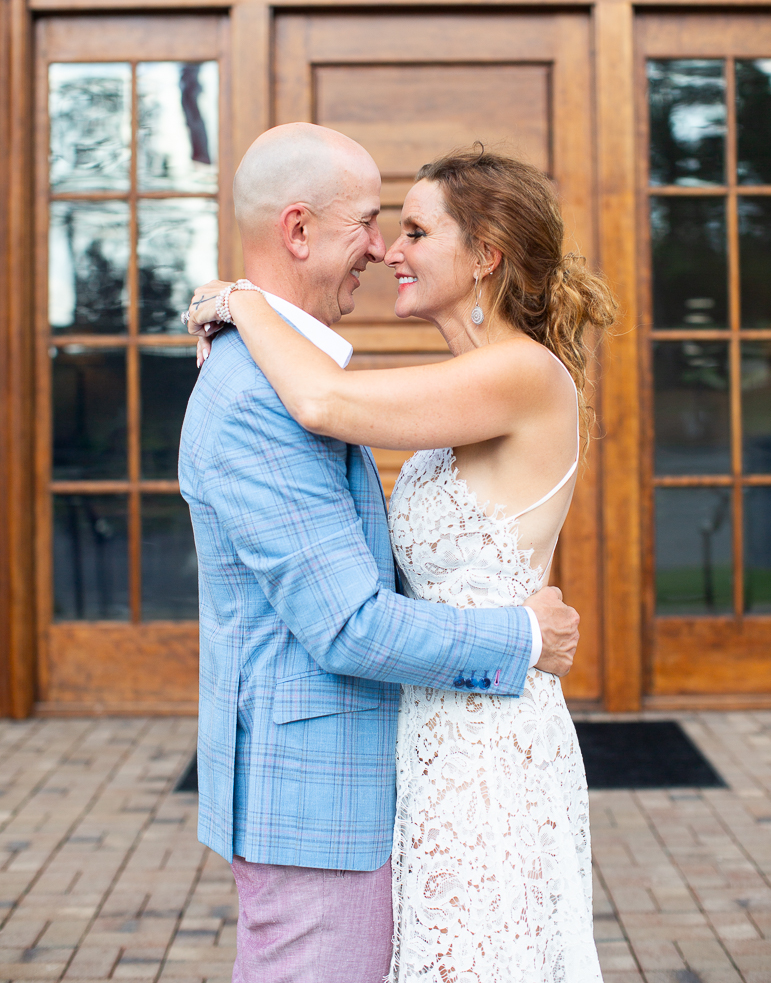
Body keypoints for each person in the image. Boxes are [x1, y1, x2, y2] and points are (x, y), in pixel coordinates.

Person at [187, 134, 617, 982]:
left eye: (414, 231)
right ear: (301, 229)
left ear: (485, 256)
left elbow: (322, 399)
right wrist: (247, 306)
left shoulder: (522, 377)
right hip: (417, 744)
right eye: (384, 225)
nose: (389, 251)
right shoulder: (445, 388)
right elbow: (319, 406)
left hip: (485, 750)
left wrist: (244, 301)